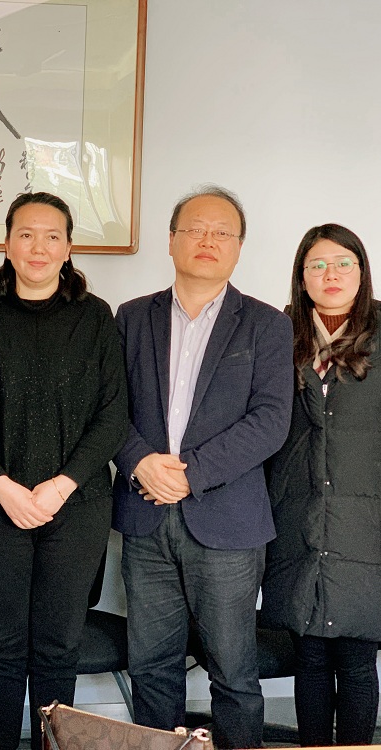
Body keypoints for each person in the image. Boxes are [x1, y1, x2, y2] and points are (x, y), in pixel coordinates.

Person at [0, 192, 128, 750]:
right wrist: (2, 486)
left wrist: (62, 484)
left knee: (57, 647)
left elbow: (114, 413)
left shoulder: (94, 316)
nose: (39, 247)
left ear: (68, 248)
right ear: (7, 244)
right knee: (1, 647)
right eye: (26, 234)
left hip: (76, 505)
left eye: (52, 236)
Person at [112, 186, 293, 748]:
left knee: (233, 672)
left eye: (222, 232)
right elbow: (109, 407)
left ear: (239, 247)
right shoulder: (132, 317)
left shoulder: (266, 324)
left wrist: (188, 474)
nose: (207, 240)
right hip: (145, 517)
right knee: (151, 667)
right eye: (195, 229)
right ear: (171, 241)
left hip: (228, 522)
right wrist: (139, 461)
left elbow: (270, 420)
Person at [262, 224, 381, 746]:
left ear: (362, 270)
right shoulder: (279, 333)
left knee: (356, 656)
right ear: (301, 276)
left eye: (343, 263)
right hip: (296, 516)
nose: (330, 274)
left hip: (366, 522)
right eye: (317, 265)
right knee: (308, 656)